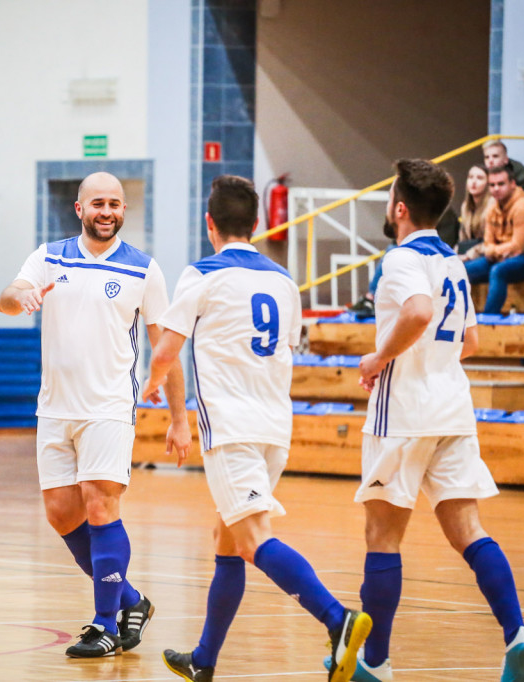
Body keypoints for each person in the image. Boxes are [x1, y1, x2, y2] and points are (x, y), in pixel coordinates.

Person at [143, 175, 371, 682]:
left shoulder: (201, 274)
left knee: (251, 539)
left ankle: (339, 620)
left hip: (231, 428)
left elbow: (165, 349)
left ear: (210, 224)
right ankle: (204, 660)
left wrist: (153, 383)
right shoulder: (284, 282)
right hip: (274, 427)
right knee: (227, 538)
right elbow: (283, 350)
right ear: (258, 224)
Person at [339, 158, 524, 682]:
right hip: (452, 406)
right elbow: (470, 341)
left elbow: (420, 312)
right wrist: (431, 359)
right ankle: (517, 632)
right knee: (470, 530)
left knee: (382, 537)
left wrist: (379, 357)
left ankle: (375, 663)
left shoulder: (402, 259)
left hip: (404, 411)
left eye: (389, 198)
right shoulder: (452, 260)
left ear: (400, 208)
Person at [0, 171, 191, 658]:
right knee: (62, 514)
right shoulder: (49, 256)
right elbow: (7, 296)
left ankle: (106, 624)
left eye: (116, 204)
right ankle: (132, 601)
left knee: (101, 506)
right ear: (80, 209)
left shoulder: (144, 270)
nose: (108, 211)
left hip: (108, 407)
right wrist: (18, 296)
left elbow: (163, 349)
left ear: (123, 211)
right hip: (54, 409)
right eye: (98, 203)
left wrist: (179, 417)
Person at [464, 165, 524, 314]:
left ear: (512, 184)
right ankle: (460, 318)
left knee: (499, 271)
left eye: (501, 184)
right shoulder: (493, 208)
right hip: (502, 257)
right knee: (462, 270)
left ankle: (488, 319)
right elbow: (488, 243)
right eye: (492, 185)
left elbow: (517, 247)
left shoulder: (523, 207)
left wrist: (493, 251)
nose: (496, 189)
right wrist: (494, 251)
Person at [457, 163, 491, 262]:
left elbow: (492, 242)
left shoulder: (492, 205)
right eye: (471, 177)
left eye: (479, 178)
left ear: (488, 183)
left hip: (487, 253)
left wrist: (468, 256)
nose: (473, 182)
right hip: (469, 253)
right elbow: (463, 238)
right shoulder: (465, 206)